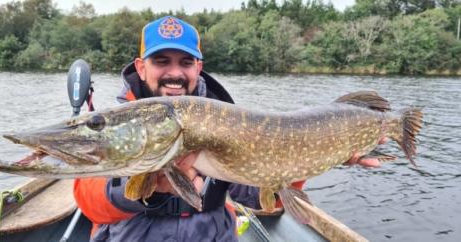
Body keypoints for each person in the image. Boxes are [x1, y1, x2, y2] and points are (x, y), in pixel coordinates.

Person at [73, 16, 384, 242]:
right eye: (161, 61)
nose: (174, 73)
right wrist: (148, 189)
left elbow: (260, 198)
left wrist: (318, 154)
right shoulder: (115, 122)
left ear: (198, 66)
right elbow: (89, 201)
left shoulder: (223, 114)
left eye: (185, 62)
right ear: (141, 67)